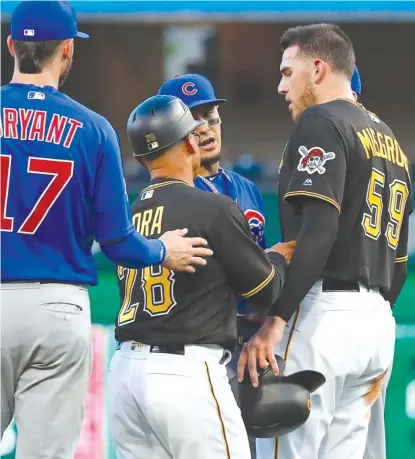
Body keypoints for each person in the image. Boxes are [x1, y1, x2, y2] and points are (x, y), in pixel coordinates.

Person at [0, 2, 211, 458]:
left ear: (12, 44)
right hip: (57, 306)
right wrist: (160, 251)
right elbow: (117, 242)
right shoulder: (93, 129)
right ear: (68, 51)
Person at [238, 23, 412, 459]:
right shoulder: (392, 142)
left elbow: (320, 231)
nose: (280, 86)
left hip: (324, 314)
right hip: (375, 324)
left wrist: (276, 319)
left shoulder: (322, 120)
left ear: (317, 69)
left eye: (287, 72)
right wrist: (371, 316)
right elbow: (401, 259)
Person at [108, 94, 295, 459]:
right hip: (185, 373)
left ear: (142, 157)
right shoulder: (212, 207)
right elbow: (265, 292)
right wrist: (278, 257)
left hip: (126, 375)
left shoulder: (130, 214)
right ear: (191, 141)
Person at [158, 73, 268, 458]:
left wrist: (270, 331)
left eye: (212, 116)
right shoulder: (174, 196)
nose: (206, 128)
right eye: (194, 119)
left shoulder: (247, 188)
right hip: (200, 344)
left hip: (248, 345)